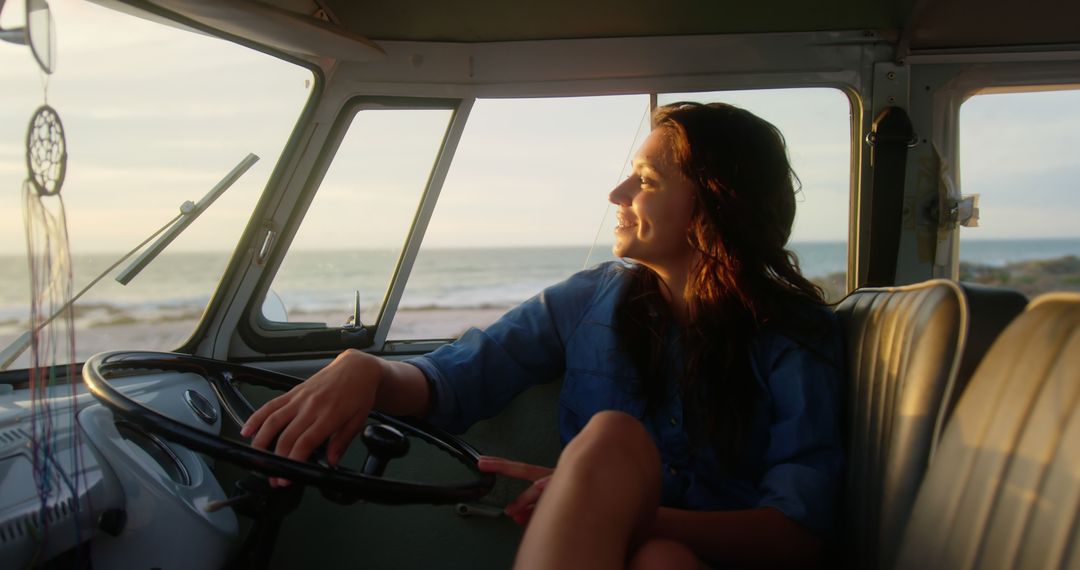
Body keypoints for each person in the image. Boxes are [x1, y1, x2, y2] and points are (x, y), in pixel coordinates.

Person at [241, 101, 845, 569]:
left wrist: (605, 509)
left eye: (646, 180)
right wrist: (364, 369)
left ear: (713, 203)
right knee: (661, 554)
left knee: (645, 516)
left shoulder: (794, 337)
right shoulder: (588, 301)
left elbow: (795, 539)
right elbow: (454, 380)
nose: (617, 194)